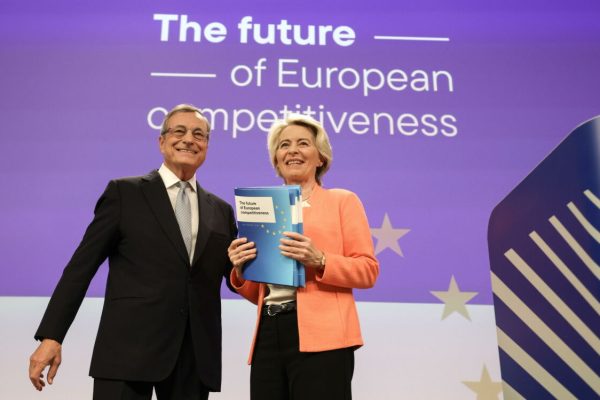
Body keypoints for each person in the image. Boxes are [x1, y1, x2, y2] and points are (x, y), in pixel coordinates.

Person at [28, 104, 237, 400]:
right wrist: (52, 336)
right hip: (126, 352)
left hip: (192, 360)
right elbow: (80, 269)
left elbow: (236, 277)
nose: (189, 139)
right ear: (161, 141)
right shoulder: (124, 194)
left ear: (206, 146)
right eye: (179, 131)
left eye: (198, 134)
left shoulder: (221, 211)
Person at [227, 113, 379, 400]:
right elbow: (258, 291)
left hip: (325, 338)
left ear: (320, 157)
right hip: (268, 334)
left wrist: (321, 259)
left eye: (303, 144)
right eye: (284, 145)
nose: (292, 151)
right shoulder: (262, 206)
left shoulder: (343, 200)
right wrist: (241, 268)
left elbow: (368, 270)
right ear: (276, 160)